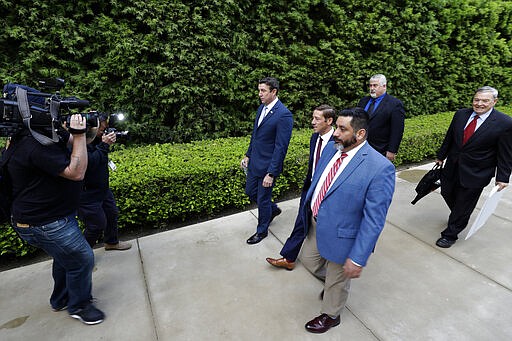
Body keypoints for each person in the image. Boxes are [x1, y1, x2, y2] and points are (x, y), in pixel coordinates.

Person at [300, 107, 395, 334]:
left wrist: (358, 257)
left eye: (343, 129)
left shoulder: (380, 169)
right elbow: (318, 181)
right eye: (337, 127)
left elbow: (374, 220)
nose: (335, 133)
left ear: (360, 134)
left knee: (336, 279)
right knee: (309, 261)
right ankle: (336, 284)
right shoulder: (333, 149)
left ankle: (331, 315)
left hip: (344, 235)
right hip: (316, 223)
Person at [8, 112, 105, 325]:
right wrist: (79, 134)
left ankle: (60, 299)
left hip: (51, 217)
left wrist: (84, 129)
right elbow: (76, 172)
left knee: (65, 256)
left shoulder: (40, 134)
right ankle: (79, 305)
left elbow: (79, 142)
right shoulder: (35, 144)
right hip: (45, 222)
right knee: (82, 258)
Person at [434, 86, 512, 248]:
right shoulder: (461, 114)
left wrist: (503, 177)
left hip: (477, 172)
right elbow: (450, 137)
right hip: (452, 166)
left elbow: (505, 152)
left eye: (485, 101)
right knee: (447, 192)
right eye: (476, 100)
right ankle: (459, 215)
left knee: (464, 203)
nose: (479, 104)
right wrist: (441, 156)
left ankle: (451, 234)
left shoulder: (505, 123)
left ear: (494, 102)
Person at [266, 104, 335, 270]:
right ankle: (289, 258)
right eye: (313, 117)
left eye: (317, 119)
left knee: (324, 229)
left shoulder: (338, 142)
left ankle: (332, 267)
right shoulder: (315, 138)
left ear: (329, 121)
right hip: (310, 188)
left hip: (327, 194)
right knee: (301, 221)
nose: (313, 122)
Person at [241, 77, 293, 244]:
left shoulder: (284, 115)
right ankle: (273, 209)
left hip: (267, 167)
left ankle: (261, 231)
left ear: (274, 92)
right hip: (255, 162)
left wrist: (271, 173)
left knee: (263, 200)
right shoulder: (261, 109)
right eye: (259, 90)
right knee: (250, 192)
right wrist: (248, 155)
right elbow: (255, 136)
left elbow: (281, 147)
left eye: (263, 91)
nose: (259, 94)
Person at [78, 114, 131, 251]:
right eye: (102, 130)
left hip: (102, 189)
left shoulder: (96, 141)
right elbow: (90, 164)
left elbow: (101, 157)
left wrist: (105, 143)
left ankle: (111, 242)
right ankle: (81, 256)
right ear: (91, 129)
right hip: (87, 193)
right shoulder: (78, 143)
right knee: (96, 225)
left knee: (111, 213)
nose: (104, 132)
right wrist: (104, 145)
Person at [357, 74, 405, 161]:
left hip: (381, 149)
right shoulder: (363, 101)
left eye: (375, 85)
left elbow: (397, 130)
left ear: (384, 86)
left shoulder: (395, 104)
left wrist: (392, 150)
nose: (372, 88)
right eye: (370, 85)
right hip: (361, 146)